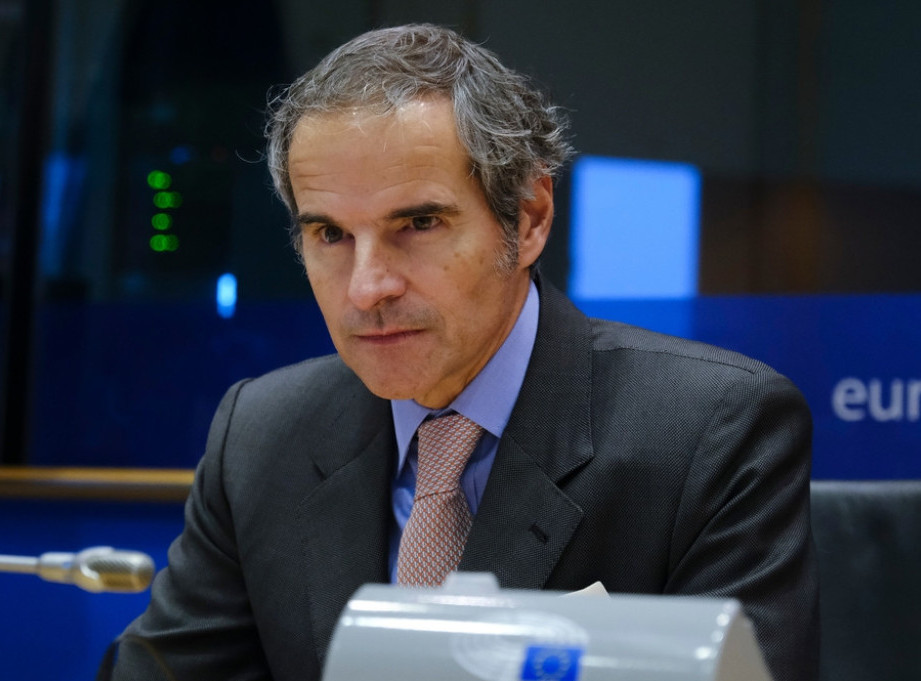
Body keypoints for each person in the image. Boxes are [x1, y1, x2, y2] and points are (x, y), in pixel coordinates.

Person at [103, 23, 818, 681]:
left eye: (418, 223)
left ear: (529, 218)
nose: (367, 288)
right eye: (330, 235)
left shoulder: (707, 432)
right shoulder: (263, 434)